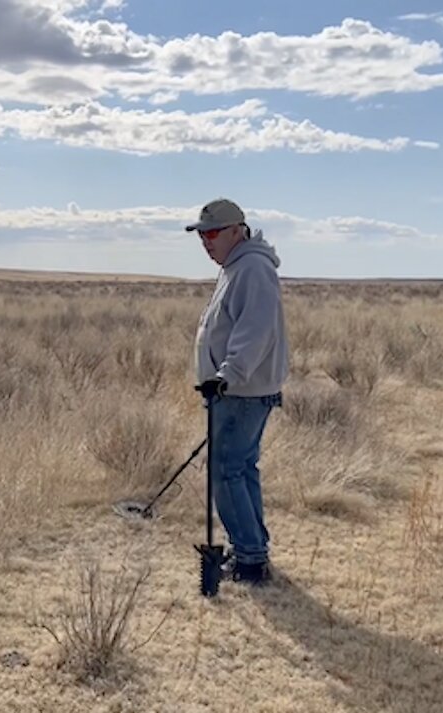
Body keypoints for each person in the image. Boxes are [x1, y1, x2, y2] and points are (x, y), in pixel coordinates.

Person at [187, 198, 288, 586]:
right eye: (201, 235)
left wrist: (227, 374)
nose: (206, 242)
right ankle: (252, 549)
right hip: (237, 388)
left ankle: (249, 559)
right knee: (240, 469)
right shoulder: (237, 267)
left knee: (228, 471)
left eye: (212, 233)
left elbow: (255, 330)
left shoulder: (252, 268)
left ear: (236, 230)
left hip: (242, 392)